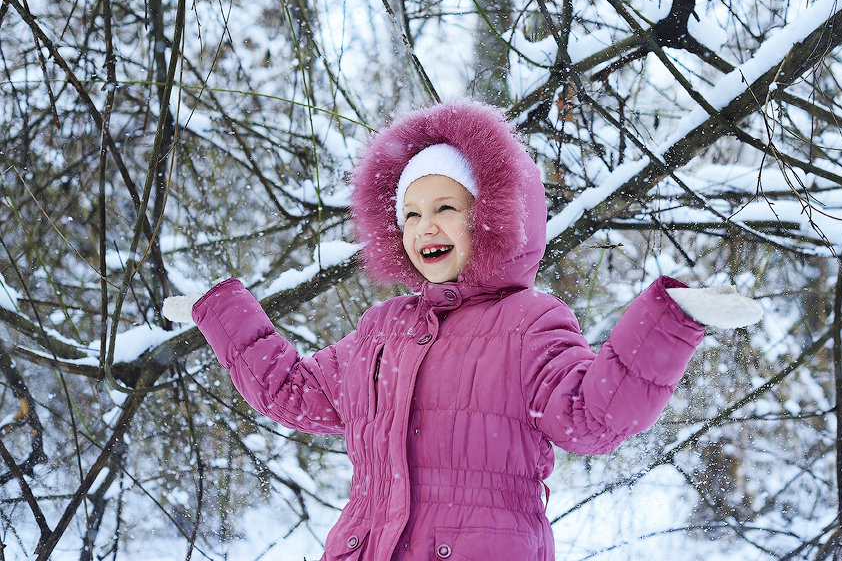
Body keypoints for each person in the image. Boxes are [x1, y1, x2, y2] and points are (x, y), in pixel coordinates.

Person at [163, 100, 762, 560]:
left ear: (492, 216)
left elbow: (592, 417)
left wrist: (673, 320)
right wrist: (219, 313)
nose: (427, 227)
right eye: (411, 215)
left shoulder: (529, 323)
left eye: (447, 207)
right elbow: (294, 393)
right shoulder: (382, 329)